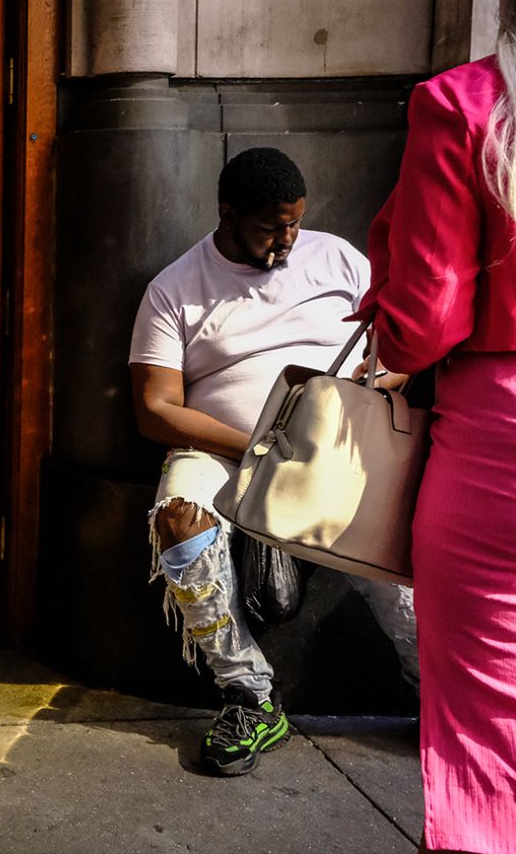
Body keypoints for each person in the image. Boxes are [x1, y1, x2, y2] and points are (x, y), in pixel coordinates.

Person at [129, 147, 420, 778]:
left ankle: (440, 696)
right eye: (270, 226)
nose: (287, 239)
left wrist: (376, 384)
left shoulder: (337, 256)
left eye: (295, 222)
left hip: (337, 439)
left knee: (396, 556)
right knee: (178, 522)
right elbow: (155, 409)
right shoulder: (175, 287)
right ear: (227, 214)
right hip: (226, 448)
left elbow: (398, 349)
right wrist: (260, 447)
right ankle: (251, 695)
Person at [357, 0, 516, 854]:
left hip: (501, 451)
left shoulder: (463, 104)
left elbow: (421, 323)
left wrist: (385, 309)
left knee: (490, 736)